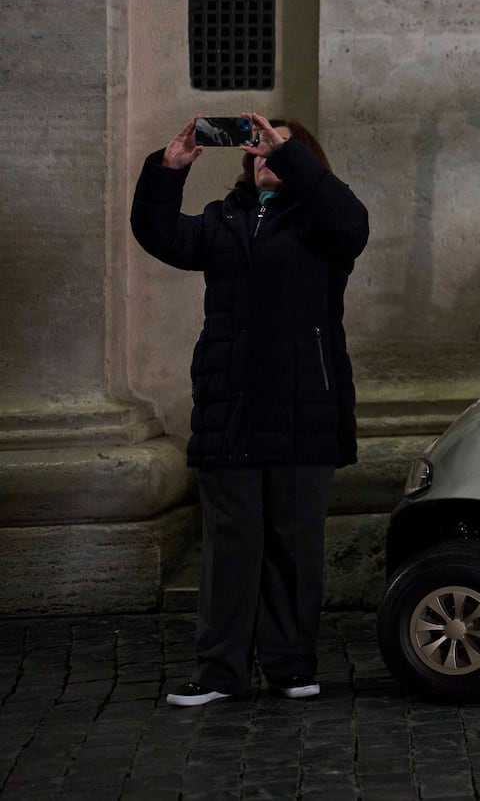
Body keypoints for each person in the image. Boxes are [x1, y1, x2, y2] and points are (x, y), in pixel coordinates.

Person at [132, 114, 369, 706]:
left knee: (294, 546)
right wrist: (168, 170)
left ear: (301, 160)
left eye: (275, 149)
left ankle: (291, 666)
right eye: (256, 150)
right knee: (230, 545)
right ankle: (218, 672)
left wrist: (289, 155)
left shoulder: (323, 222)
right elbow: (159, 234)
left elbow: (350, 223)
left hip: (303, 406)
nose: (262, 156)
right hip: (230, 405)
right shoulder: (223, 219)